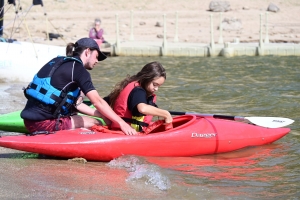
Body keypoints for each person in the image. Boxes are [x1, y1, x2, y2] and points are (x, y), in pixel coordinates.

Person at [20, 37, 137, 135]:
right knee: (97, 123)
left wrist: (104, 115)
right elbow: (98, 102)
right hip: (45, 124)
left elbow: (77, 104)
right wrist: (121, 122)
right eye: (96, 56)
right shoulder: (79, 70)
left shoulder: (58, 60)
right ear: (87, 51)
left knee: (84, 117)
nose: (97, 61)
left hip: (29, 121)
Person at [104, 61, 173, 132]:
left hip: (121, 131)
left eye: (159, 86)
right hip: (125, 133)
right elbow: (142, 109)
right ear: (147, 78)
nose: (156, 89)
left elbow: (104, 102)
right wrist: (166, 114)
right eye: (155, 84)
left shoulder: (130, 85)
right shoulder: (138, 91)